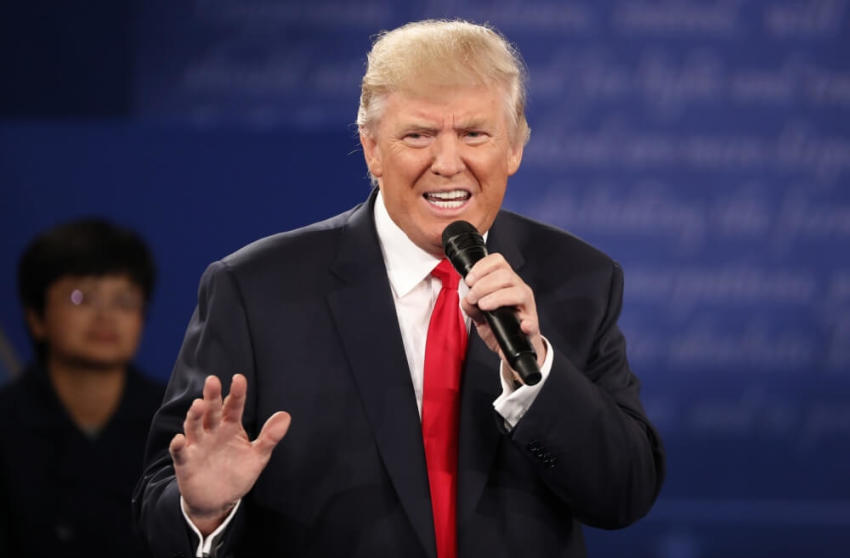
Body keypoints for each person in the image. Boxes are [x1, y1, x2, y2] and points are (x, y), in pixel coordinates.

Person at [134, 19, 665, 558]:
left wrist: (539, 376)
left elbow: (625, 494)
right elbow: (158, 501)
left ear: (514, 148)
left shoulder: (578, 279)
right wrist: (203, 512)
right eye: (418, 135)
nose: (448, 162)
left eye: (474, 134)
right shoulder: (256, 289)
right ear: (372, 150)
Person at [0, 218, 164, 557]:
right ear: (36, 317)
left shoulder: (176, 423)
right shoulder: (7, 421)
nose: (106, 316)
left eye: (125, 300)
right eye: (81, 297)